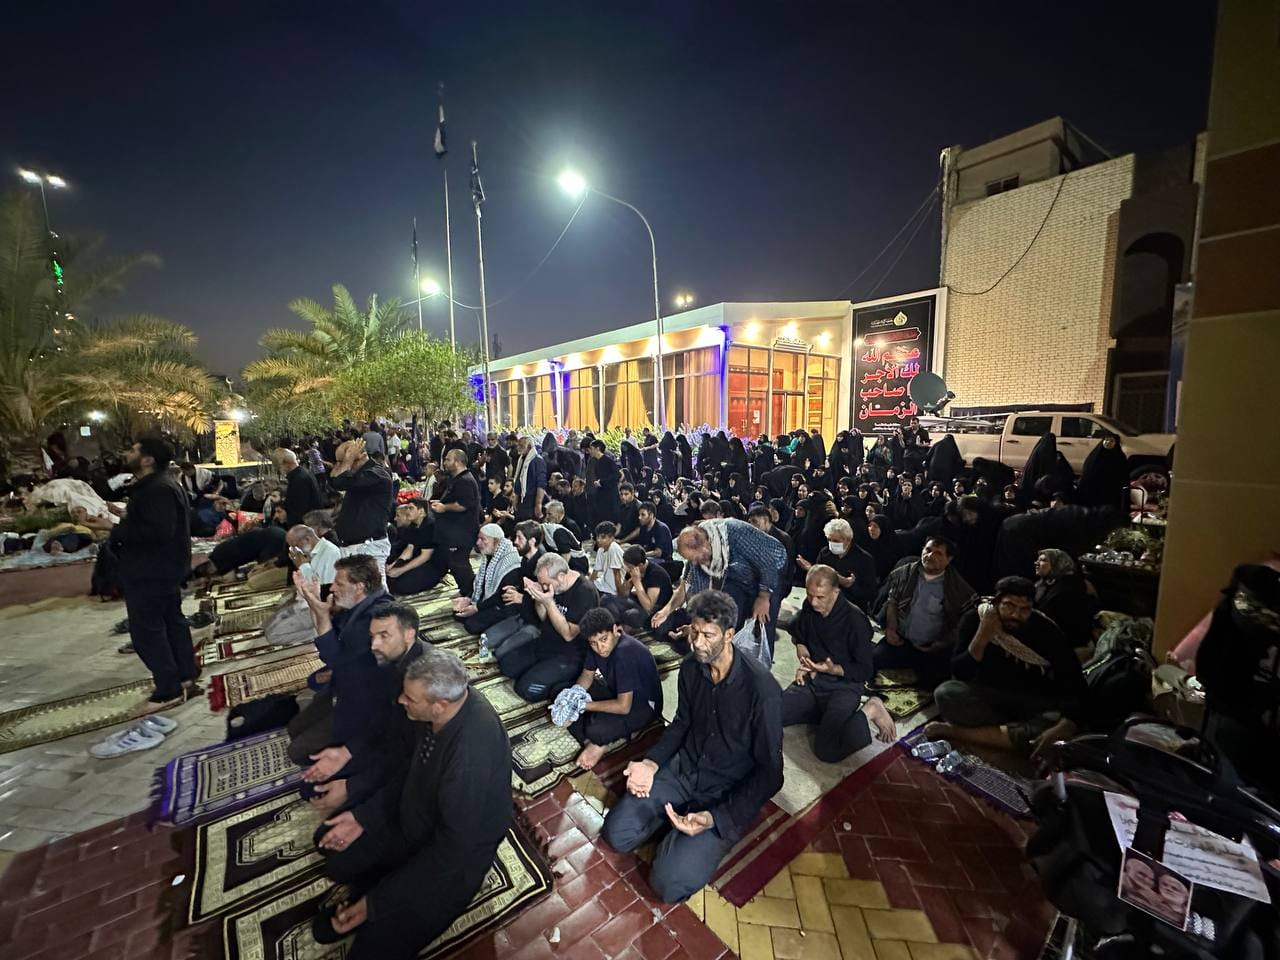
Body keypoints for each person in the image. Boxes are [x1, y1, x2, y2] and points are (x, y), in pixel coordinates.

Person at [311, 649, 511, 960]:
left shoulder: (469, 760)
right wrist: (363, 817)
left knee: (368, 953)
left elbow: (452, 850)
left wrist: (374, 904)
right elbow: (412, 769)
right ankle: (381, 883)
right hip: (414, 819)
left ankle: (379, 893)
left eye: (409, 698)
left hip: (453, 859)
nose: (401, 700)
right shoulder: (435, 712)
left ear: (439, 705)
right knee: (332, 850)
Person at [601, 590, 783, 903]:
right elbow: (682, 724)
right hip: (685, 771)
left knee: (668, 884)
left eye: (708, 635)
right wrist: (651, 764)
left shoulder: (762, 691)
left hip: (724, 791)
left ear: (729, 634)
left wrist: (717, 818)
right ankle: (676, 824)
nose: (697, 642)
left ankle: (693, 833)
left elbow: (771, 774)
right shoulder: (690, 668)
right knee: (616, 833)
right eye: (694, 632)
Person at [927, 576, 1089, 760]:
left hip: (1033, 701)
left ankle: (959, 732)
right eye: (1009, 606)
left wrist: (1066, 724)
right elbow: (961, 672)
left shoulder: (1046, 631)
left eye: (1024, 609)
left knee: (1053, 730)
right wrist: (983, 635)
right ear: (996, 603)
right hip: (990, 696)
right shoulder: (975, 619)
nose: (1016, 615)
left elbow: (1075, 682)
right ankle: (1008, 734)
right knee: (946, 694)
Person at [309, 601, 427, 816]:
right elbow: (381, 718)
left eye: (384, 636)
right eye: (372, 636)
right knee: (313, 785)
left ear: (409, 635)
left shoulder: (424, 680)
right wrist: (348, 751)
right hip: (384, 742)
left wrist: (353, 786)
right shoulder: (386, 658)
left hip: (410, 763)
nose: (374, 644)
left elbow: (412, 755)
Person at [110, 438, 201, 715]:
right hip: (162, 568)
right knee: (171, 623)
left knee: (146, 632)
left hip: (151, 571)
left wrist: (113, 528)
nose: (126, 453)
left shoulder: (157, 489)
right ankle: (184, 677)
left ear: (147, 459)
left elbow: (158, 532)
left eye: (132, 450)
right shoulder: (159, 485)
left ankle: (168, 691)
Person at [289, 555, 392, 779]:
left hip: (370, 703)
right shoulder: (356, 605)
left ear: (359, 587)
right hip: (349, 682)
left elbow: (333, 658)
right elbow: (328, 639)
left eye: (339, 583)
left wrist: (320, 611)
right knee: (294, 728)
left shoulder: (377, 620)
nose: (333, 587)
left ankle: (367, 753)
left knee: (298, 751)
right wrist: (315, 604)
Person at [782, 566, 895, 762]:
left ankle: (872, 708)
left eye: (820, 597)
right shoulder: (810, 606)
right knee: (770, 714)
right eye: (810, 595)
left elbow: (864, 670)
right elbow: (797, 631)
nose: (813, 602)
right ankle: (823, 715)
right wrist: (804, 655)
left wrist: (833, 669)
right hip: (813, 681)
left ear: (835, 592)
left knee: (827, 750)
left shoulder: (855, 620)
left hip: (844, 687)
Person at [652, 519, 788, 656]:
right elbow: (688, 586)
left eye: (695, 558)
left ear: (705, 546)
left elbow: (768, 563)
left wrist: (764, 597)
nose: (694, 563)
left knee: (764, 620)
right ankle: (730, 655)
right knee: (731, 616)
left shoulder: (735, 531)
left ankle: (762, 663)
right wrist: (672, 614)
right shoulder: (700, 557)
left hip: (773, 568)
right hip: (740, 575)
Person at [560, 608, 663, 769]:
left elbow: (623, 706)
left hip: (643, 706)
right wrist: (574, 695)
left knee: (595, 729)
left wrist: (582, 705)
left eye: (604, 639)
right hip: (618, 692)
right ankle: (594, 743)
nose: (600, 647)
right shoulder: (596, 647)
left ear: (615, 630)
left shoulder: (625, 654)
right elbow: (587, 675)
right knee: (563, 690)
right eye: (593, 643)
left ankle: (596, 741)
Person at [874, 537, 976, 688]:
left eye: (938, 553)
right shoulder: (905, 573)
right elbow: (893, 602)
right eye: (928, 550)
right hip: (902, 640)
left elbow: (962, 623)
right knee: (874, 659)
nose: (930, 556)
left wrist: (941, 644)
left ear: (948, 559)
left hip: (931, 648)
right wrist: (890, 629)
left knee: (934, 683)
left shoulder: (957, 589)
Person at [498, 553, 599, 702]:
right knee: (507, 665)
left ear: (561, 576)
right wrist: (539, 599)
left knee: (526, 689)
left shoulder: (585, 592)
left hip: (570, 654)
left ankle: (567, 683)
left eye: (546, 583)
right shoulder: (554, 586)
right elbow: (544, 618)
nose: (544, 587)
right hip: (547, 642)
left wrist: (549, 602)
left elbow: (568, 635)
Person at [330, 439, 395, 578]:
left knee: (375, 590)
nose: (340, 466)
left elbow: (339, 482)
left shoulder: (376, 474)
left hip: (368, 546)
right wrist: (344, 461)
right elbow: (333, 481)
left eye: (342, 462)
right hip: (353, 546)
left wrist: (347, 460)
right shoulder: (359, 475)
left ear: (359, 457)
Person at [451, 523, 524, 634]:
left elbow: (501, 595)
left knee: (472, 625)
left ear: (496, 541)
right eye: (478, 538)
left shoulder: (510, 561)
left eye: (483, 539)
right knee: (458, 614)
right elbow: (481, 582)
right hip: (488, 600)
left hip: (502, 604)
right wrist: (468, 598)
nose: (477, 542)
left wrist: (477, 608)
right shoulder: (491, 553)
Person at [796, 517, 879, 612]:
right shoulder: (825, 553)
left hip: (849, 607)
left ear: (848, 539)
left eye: (836, 541)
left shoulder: (864, 559)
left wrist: (851, 586)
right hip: (824, 602)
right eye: (829, 539)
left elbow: (870, 593)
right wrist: (811, 569)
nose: (831, 543)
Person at [430, 448, 481, 597]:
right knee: (455, 563)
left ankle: (471, 593)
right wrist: (440, 502)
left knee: (459, 563)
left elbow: (463, 505)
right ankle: (466, 590)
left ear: (458, 462)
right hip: (454, 532)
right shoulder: (457, 479)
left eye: (448, 459)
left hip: (462, 533)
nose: (445, 462)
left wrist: (444, 507)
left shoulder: (465, 481)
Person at [1032, 548, 1097, 649]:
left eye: (1043, 560)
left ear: (1058, 564)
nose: (1036, 563)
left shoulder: (1067, 589)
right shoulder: (1048, 583)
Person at [604, 544, 674, 630]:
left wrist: (637, 582)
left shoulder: (656, 574)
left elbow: (649, 607)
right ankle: (615, 627)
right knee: (607, 599)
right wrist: (628, 580)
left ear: (640, 565)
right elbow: (623, 594)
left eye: (629, 566)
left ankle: (624, 628)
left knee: (630, 615)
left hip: (657, 610)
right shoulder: (632, 569)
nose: (627, 568)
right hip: (639, 601)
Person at [385, 499, 444, 596]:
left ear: (421, 512)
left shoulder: (429, 526)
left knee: (400, 586)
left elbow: (425, 556)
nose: (408, 511)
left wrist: (400, 570)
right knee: (390, 579)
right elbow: (409, 549)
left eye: (411, 508)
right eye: (407, 508)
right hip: (419, 558)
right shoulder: (413, 526)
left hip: (433, 564)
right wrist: (392, 565)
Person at [279, 448, 325, 527]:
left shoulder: (299, 479)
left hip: (306, 524)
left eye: (278, 465)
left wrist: (287, 519)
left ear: (285, 463)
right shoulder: (302, 474)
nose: (278, 469)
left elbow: (300, 508)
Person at [512, 435, 548, 521]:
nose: (518, 448)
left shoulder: (538, 461)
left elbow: (541, 484)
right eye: (518, 445)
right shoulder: (521, 460)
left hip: (532, 501)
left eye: (521, 446)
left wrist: (538, 503)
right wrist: (516, 497)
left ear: (529, 447)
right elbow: (518, 481)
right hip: (522, 500)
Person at [587, 440, 621, 524]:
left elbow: (617, 475)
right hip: (601, 494)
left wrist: (602, 482)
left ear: (597, 448)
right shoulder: (596, 462)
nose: (590, 451)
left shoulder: (608, 461)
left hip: (610, 496)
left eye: (592, 448)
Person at [590, 521, 626, 597]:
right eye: (598, 537)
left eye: (603, 537)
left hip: (614, 589)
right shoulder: (600, 549)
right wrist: (589, 586)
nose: (598, 540)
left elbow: (617, 574)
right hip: (604, 583)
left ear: (612, 538)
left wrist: (620, 596)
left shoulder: (614, 548)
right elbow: (595, 571)